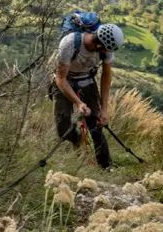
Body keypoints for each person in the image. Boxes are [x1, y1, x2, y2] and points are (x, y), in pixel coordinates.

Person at [52, 22, 125, 170]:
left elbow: (106, 77)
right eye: (104, 49)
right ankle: (76, 137)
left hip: (87, 81)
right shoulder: (69, 44)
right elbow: (61, 79)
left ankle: (107, 166)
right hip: (65, 82)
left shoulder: (106, 49)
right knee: (62, 127)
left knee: (96, 126)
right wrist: (79, 103)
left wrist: (104, 110)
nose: (107, 53)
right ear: (98, 44)